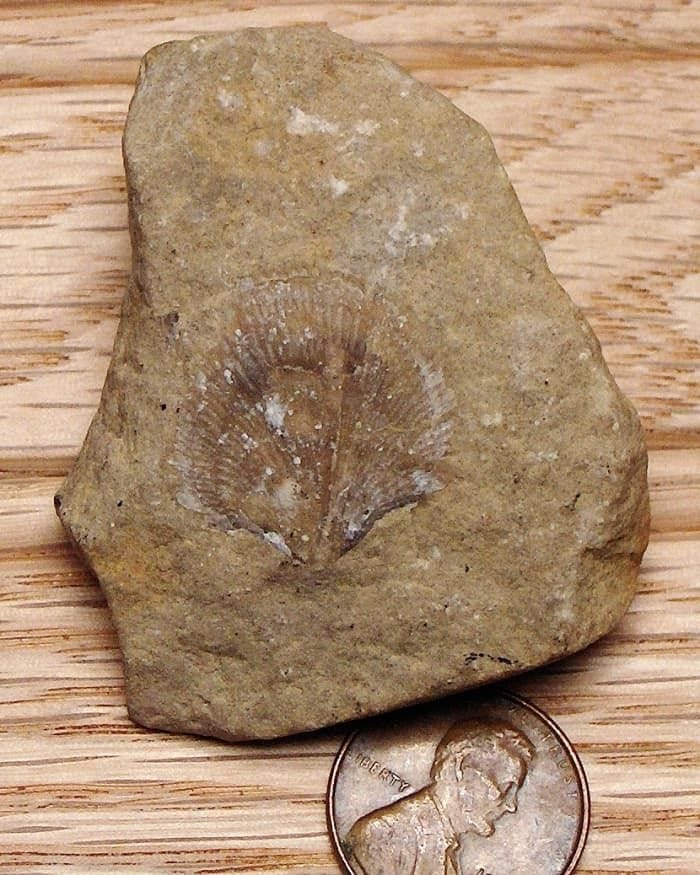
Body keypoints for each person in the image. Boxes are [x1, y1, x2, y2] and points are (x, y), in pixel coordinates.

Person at [345, 717, 534, 875]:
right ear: (462, 767)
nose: (512, 805)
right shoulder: (383, 835)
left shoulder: (448, 847)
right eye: (506, 788)